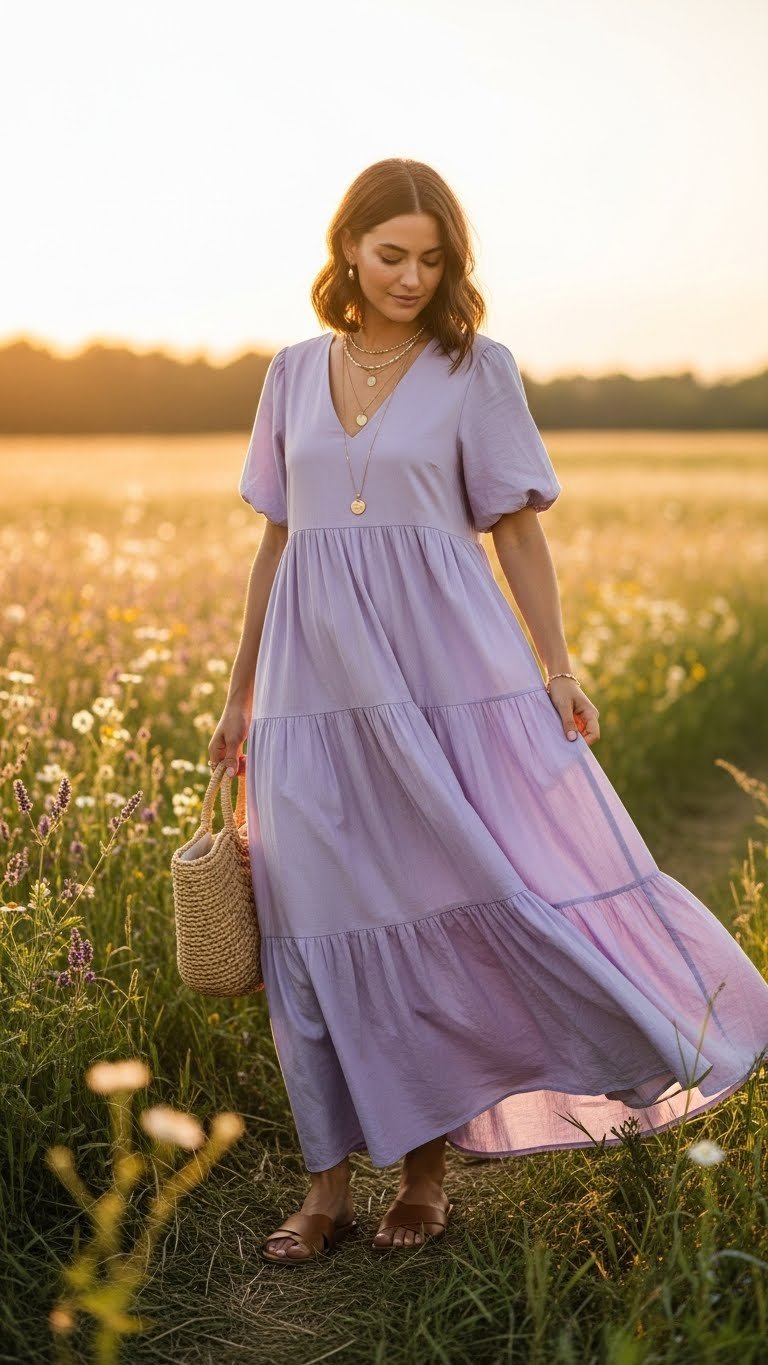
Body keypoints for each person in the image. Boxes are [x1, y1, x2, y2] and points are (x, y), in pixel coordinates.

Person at [208, 157, 768, 1265]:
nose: (412, 276)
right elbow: (279, 541)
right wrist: (239, 693)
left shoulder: (479, 369)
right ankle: (324, 1189)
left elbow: (516, 528)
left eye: (431, 258)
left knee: (444, 897)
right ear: (347, 254)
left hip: (444, 678)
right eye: (390, 255)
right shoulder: (287, 373)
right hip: (309, 695)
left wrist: (556, 664)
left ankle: (424, 1176)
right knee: (310, 925)